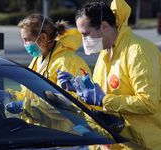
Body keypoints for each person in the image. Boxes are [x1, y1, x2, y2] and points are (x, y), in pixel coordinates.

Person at [58, 0, 161, 149]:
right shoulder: (106, 53)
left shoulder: (138, 51)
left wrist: (103, 100)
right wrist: (79, 88)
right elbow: (105, 98)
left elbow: (148, 103)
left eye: (86, 34)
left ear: (104, 26)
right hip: (116, 143)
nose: (83, 41)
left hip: (143, 145)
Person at [4, 13, 91, 118]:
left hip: (66, 131)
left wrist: (26, 106)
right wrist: (11, 96)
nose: (25, 44)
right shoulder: (38, 59)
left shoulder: (67, 62)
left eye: (27, 40)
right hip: (43, 128)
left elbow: (66, 103)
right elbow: (29, 95)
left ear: (43, 37)